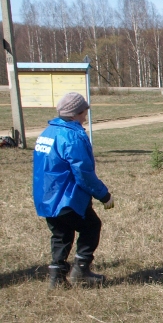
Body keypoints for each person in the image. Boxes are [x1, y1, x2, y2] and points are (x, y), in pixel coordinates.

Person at [33, 92, 114, 289]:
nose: (85, 116)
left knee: (61, 234)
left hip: (46, 199)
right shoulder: (71, 136)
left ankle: (56, 278)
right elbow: (83, 171)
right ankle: (81, 270)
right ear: (75, 113)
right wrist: (103, 195)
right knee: (91, 226)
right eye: (84, 113)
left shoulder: (47, 133)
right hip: (67, 198)